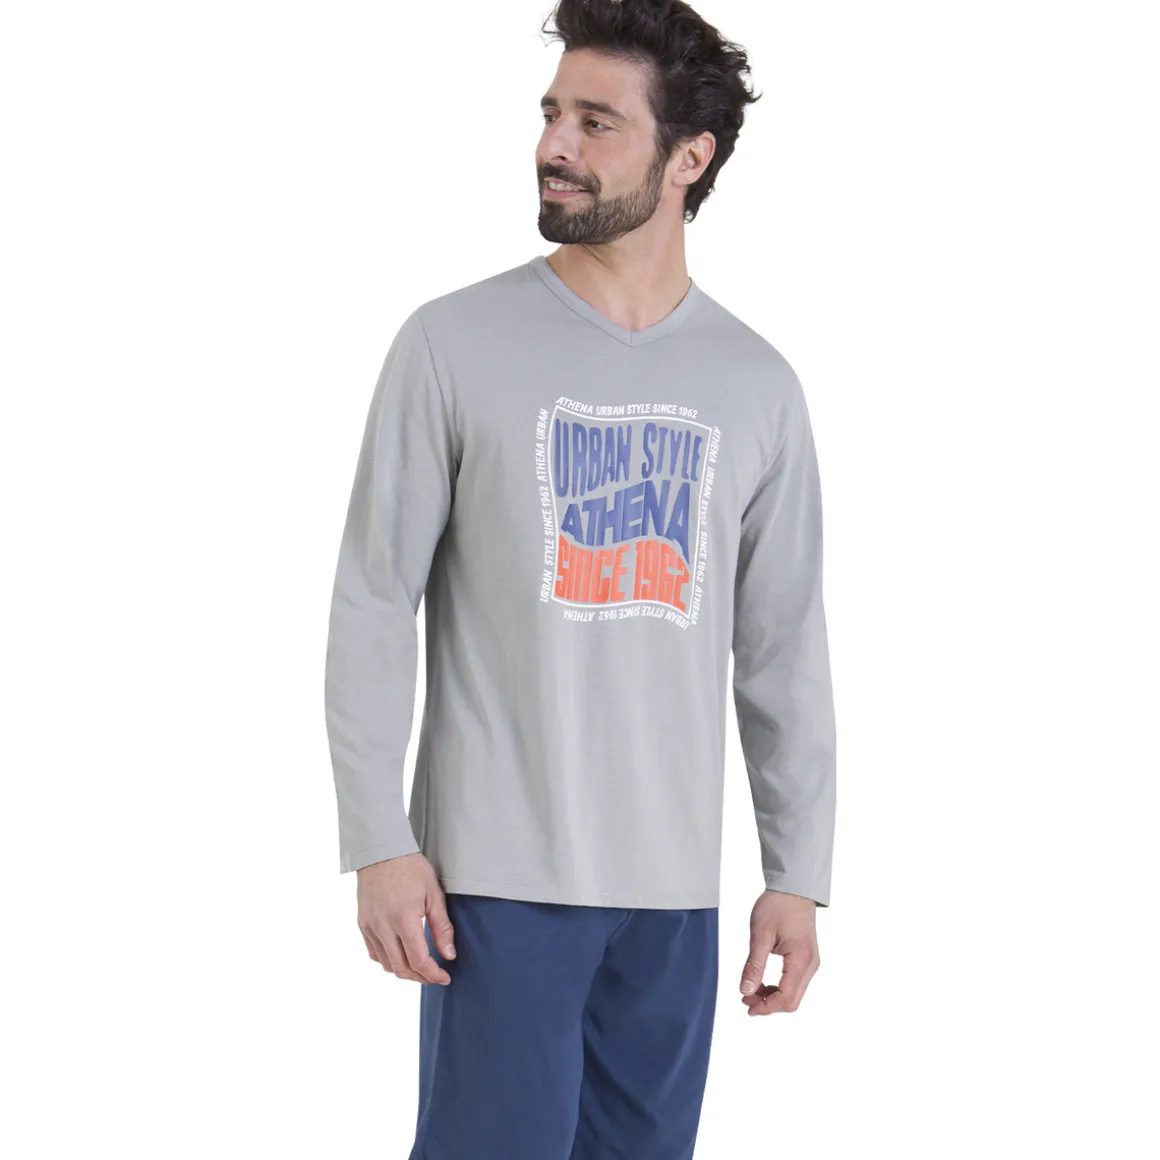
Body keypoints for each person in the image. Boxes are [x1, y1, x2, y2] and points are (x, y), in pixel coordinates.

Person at [323, 1, 837, 1155]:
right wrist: (377, 838)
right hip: (492, 883)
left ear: (687, 157)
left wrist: (795, 871)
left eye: (595, 122)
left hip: (673, 894)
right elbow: (372, 600)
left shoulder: (756, 383)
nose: (554, 144)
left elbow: (782, 648)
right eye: (552, 113)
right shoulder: (450, 343)